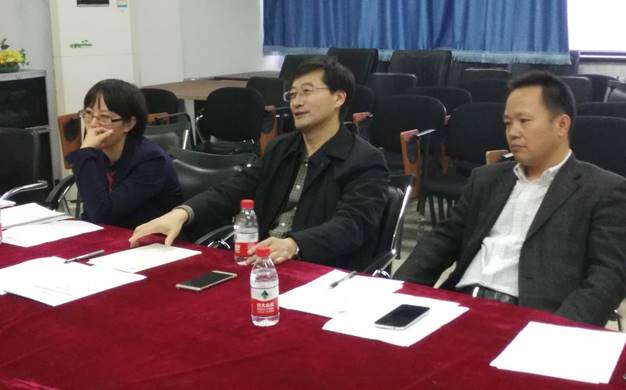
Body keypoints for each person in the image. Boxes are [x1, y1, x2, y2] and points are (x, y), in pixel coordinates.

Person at [395, 71, 626, 326]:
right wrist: (396, 290)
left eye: (524, 121)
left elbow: (608, 277)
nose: (513, 132)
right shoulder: (486, 179)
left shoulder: (603, 190)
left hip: (533, 318)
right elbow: (443, 240)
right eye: (508, 123)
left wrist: (559, 330)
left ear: (562, 125)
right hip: (460, 304)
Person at [130, 57, 390, 270]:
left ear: (338, 98)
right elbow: (234, 189)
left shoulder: (364, 160)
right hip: (263, 263)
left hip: (318, 269)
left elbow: (352, 226)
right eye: (293, 94)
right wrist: (182, 213)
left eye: (307, 92)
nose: (296, 101)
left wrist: (294, 244)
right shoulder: (282, 147)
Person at [66, 79, 183, 229]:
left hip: (149, 237)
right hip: (111, 234)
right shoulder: (99, 153)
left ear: (129, 123)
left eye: (104, 117)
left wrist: (86, 151)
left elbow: (102, 214)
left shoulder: (152, 161)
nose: (93, 124)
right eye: (88, 114)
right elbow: (90, 212)